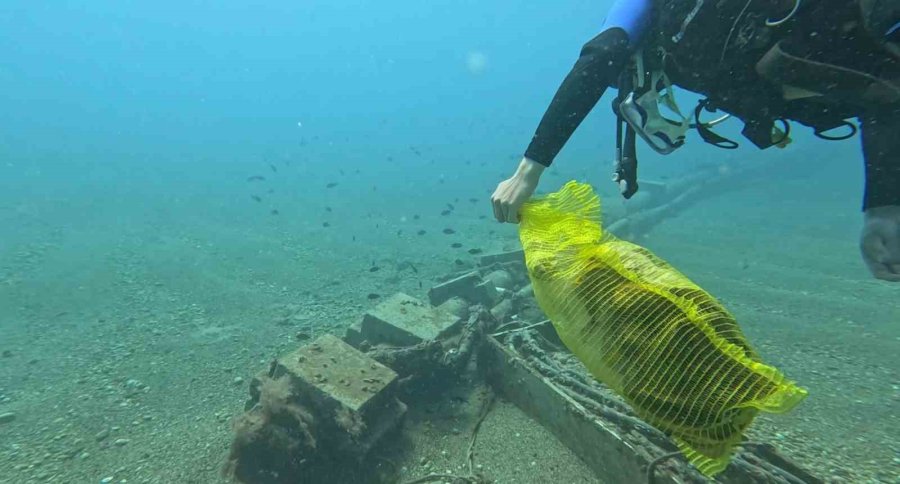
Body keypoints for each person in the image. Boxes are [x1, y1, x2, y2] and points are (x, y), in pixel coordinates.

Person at [491, 0, 900, 282]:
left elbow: (601, 54)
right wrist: (882, 206)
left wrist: (527, 173)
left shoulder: (650, 16)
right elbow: (881, 94)